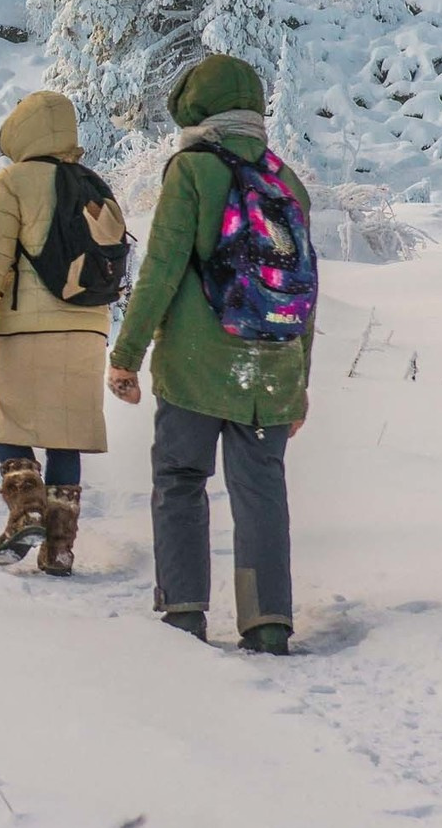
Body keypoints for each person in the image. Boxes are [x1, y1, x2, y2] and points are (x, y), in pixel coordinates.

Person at [107, 53, 317, 655]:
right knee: (261, 493)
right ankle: (266, 621)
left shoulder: (193, 171)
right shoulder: (287, 180)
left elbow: (163, 268)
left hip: (198, 366)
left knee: (179, 480)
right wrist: (300, 383)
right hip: (271, 369)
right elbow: (306, 292)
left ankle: (183, 612)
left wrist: (127, 354)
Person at [0, 90, 128, 576]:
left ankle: (26, 508)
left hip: (28, 329)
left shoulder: (14, 180)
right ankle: (60, 547)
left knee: (9, 420)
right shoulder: (96, 185)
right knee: (64, 436)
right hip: (90, 328)